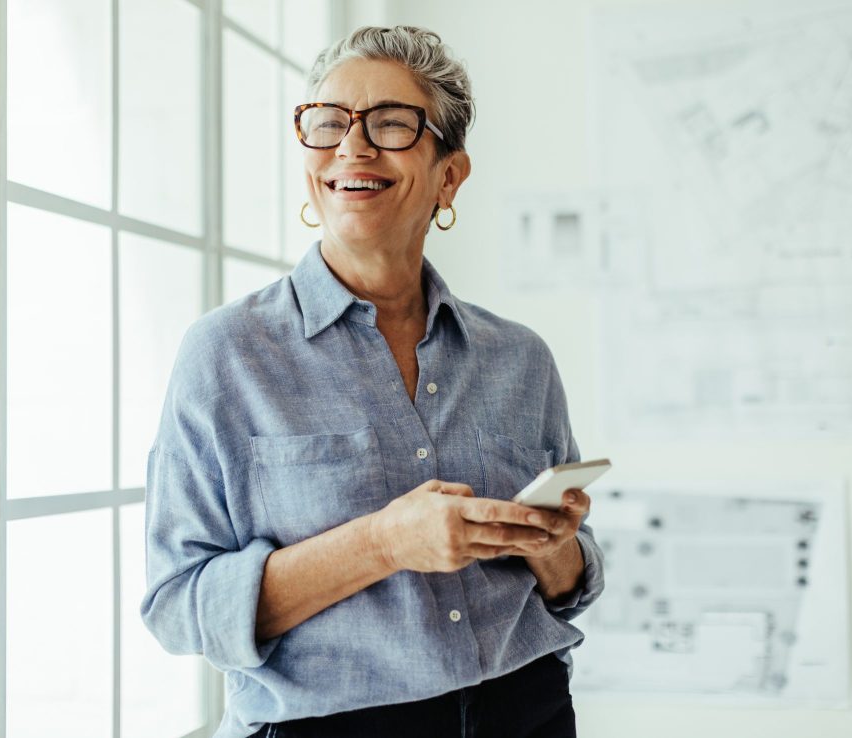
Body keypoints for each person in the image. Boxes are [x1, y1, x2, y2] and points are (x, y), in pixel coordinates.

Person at [140, 25, 604, 738]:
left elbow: (569, 589)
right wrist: (384, 544)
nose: (352, 147)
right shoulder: (227, 355)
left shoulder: (521, 360)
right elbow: (179, 607)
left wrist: (550, 545)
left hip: (528, 711)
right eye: (328, 124)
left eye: (390, 125)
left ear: (449, 176)